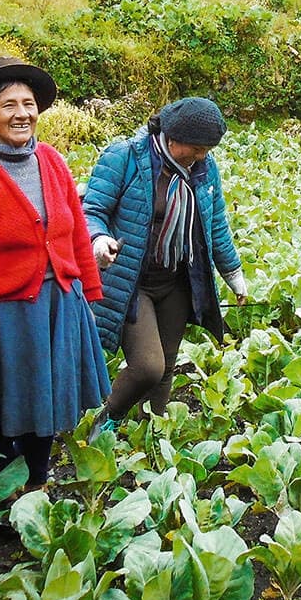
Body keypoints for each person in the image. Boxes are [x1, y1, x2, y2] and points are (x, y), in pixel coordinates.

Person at [0, 56, 109, 487]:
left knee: (45, 407)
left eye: (28, 103)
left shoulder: (51, 161)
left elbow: (73, 231)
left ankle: (34, 483)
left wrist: (88, 298)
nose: (22, 114)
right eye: (9, 104)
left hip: (57, 307)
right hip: (3, 318)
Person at [83, 97, 248, 437]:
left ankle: (153, 431)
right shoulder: (125, 157)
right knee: (148, 366)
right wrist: (99, 240)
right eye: (199, 148)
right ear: (173, 138)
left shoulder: (204, 168)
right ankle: (109, 415)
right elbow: (91, 210)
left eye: (208, 149)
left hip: (177, 278)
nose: (203, 156)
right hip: (132, 281)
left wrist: (234, 276)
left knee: (168, 363)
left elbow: (216, 225)